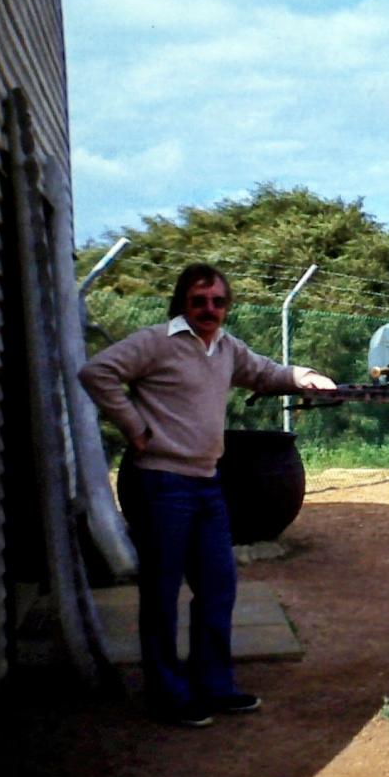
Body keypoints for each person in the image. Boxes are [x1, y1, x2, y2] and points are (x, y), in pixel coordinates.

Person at [79, 263, 335, 727]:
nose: (209, 309)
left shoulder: (225, 348)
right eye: (199, 301)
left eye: (218, 301)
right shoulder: (157, 342)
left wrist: (305, 376)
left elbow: (264, 373)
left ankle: (214, 686)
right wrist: (134, 427)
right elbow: (97, 372)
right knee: (161, 594)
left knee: (218, 587)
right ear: (183, 303)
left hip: (207, 484)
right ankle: (168, 695)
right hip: (160, 484)